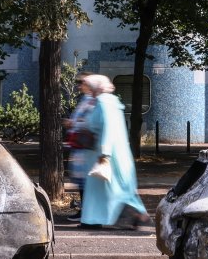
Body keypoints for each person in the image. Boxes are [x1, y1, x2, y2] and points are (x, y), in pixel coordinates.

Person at [78, 74, 150, 229]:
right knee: (116, 188)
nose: (87, 89)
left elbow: (107, 129)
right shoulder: (110, 101)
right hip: (114, 153)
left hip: (104, 154)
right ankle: (135, 215)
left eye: (89, 86)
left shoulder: (103, 103)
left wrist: (105, 153)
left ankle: (93, 219)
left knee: (106, 188)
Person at [64, 75, 96, 222]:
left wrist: (74, 124)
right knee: (81, 179)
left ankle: (86, 212)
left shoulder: (92, 101)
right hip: (80, 145)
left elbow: (88, 122)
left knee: (84, 180)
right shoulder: (85, 100)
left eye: (82, 82)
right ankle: (84, 210)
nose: (79, 85)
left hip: (85, 147)